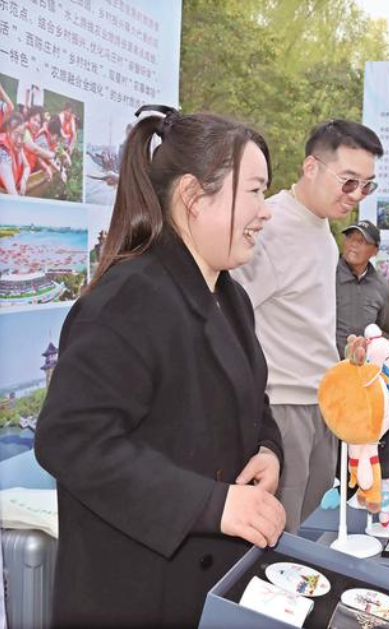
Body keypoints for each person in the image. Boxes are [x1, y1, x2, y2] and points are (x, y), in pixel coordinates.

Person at [33, 106, 286, 627]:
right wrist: (212, 504)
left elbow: (250, 396)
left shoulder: (231, 297)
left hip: (204, 586)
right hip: (135, 592)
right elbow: (71, 440)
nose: (266, 212)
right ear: (193, 195)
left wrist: (268, 449)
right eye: (254, 191)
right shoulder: (127, 299)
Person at [232, 119, 383, 534]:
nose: (356, 196)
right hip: (282, 406)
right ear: (311, 167)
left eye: (367, 186)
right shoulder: (271, 227)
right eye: (348, 181)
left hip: (320, 402)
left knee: (307, 527)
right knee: (277, 535)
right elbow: (231, 316)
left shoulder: (321, 229)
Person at [335, 218, 388, 356]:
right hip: (326, 361)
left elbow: (378, 328)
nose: (353, 244)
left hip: (362, 363)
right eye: (350, 238)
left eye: (361, 241)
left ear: (375, 251)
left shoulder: (381, 286)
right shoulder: (328, 274)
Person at [0, 112, 30, 195]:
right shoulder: (3, 152)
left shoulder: (17, 147)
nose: (19, 141)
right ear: (8, 132)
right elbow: (13, 195)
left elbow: (27, 167)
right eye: (16, 134)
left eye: (22, 136)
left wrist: (24, 181)